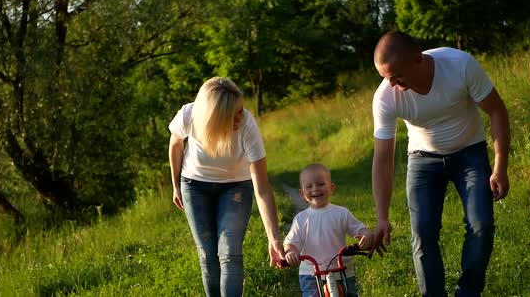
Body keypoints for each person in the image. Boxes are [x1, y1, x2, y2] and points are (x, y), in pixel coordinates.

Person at [370, 31, 510, 297]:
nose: (391, 84)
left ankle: (468, 292)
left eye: (396, 76)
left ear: (418, 60)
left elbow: (497, 110)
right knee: (423, 233)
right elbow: (383, 159)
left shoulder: (459, 65)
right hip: (423, 160)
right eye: (385, 77)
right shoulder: (385, 97)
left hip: (469, 152)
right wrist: (382, 217)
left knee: (481, 224)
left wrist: (500, 167)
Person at [168, 77, 284, 296]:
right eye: (234, 113)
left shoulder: (247, 125)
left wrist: (274, 238)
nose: (242, 116)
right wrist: (175, 185)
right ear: (214, 117)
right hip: (194, 186)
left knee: (230, 251)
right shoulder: (189, 115)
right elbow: (175, 145)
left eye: (241, 109)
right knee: (207, 253)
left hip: (236, 187)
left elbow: (262, 188)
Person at [284, 163, 374, 297]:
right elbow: (291, 242)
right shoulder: (301, 219)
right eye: (309, 186)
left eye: (321, 184)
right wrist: (291, 252)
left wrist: (365, 235)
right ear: (302, 193)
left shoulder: (341, 213)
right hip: (310, 272)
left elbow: (359, 229)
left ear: (331, 188)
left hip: (341, 269)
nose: (315, 189)